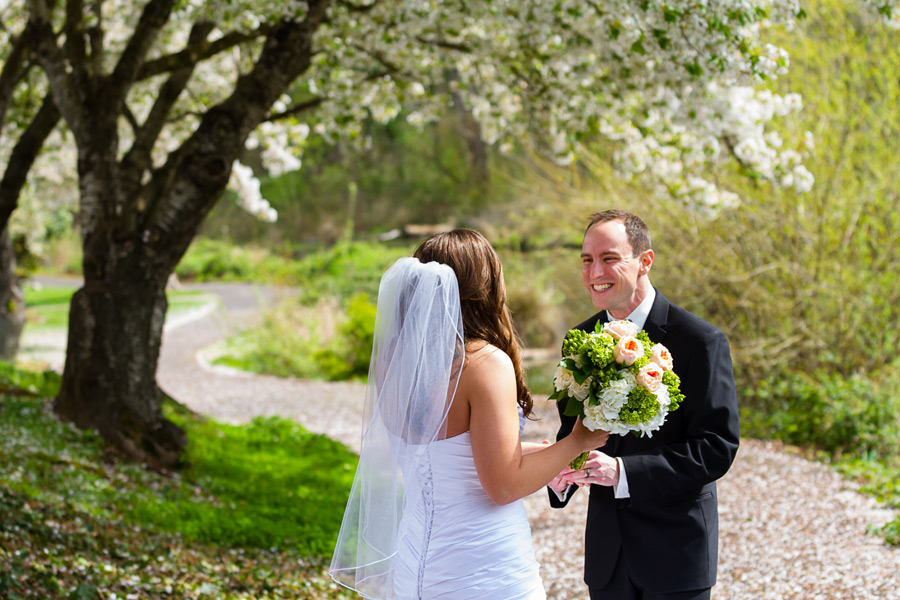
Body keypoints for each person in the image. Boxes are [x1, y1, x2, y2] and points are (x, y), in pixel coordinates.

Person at [330, 228, 609, 600]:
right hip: (483, 570)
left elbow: (446, 454)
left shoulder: (395, 359)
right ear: (483, 287)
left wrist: (543, 455)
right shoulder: (484, 364)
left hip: (414, 569)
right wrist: (578, 440)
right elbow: (503, 486)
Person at [548, 210, 740, 600]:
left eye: (609, 258)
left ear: (645, 261)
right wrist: (558, 472)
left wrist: (623, 472)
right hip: (608, 559)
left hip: (676, 555)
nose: (594, 272)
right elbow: (572, 435)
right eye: (587, 260)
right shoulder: (578, 340)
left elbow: (716, 447)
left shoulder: (700, 341)